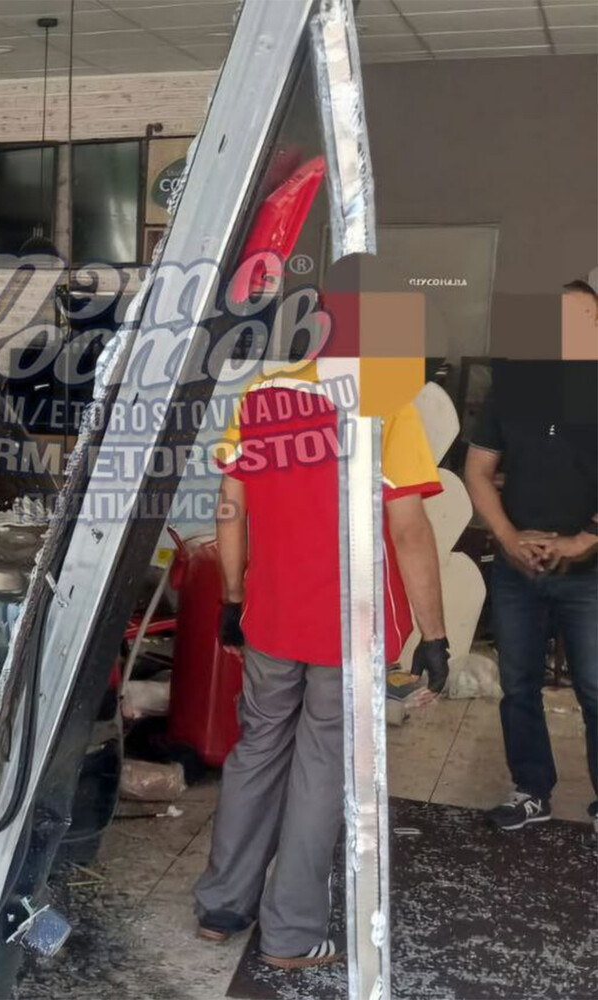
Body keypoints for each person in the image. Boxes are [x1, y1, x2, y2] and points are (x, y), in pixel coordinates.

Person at [192, 361, 450, 969]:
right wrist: (434, 636)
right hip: (350, 626)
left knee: (257, 749)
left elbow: (231, 501)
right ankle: (291, 934)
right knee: (321, 766)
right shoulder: (387, 401)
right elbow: (408, 527)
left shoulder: (263, 395)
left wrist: (232, 598)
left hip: (272, 617)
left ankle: (222, 907)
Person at [464, 281, 598, 835]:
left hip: (590, 570)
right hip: (519, 568)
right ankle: (531, 791)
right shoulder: (512, 391)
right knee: (517, 685)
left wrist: (584, 539)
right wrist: (509, 536)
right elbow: (477, 471)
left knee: (595, 688)